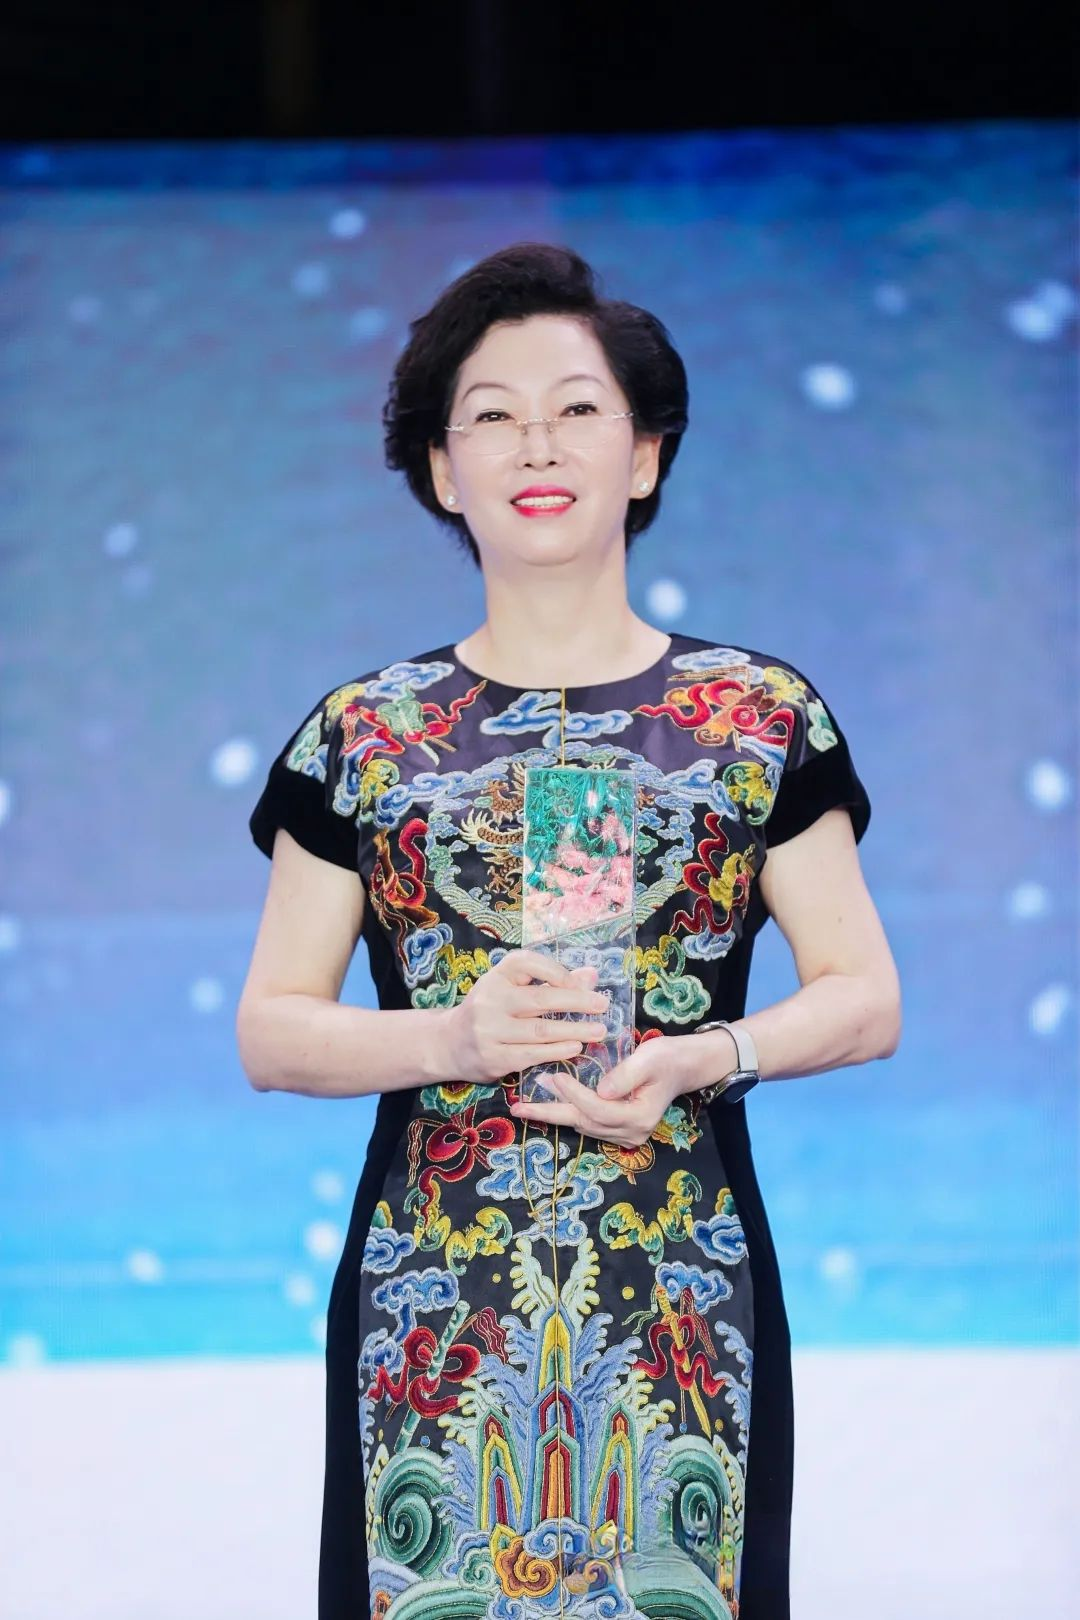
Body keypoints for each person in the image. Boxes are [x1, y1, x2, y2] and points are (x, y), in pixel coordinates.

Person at [239, 241, 902, 1620]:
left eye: (578, 409)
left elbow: (864, 995)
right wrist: (455, 1038)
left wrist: (705, 1056)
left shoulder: (756, 716)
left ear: (646, 456)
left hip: (683, 1292)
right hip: (434, 1306)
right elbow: (272, 1032)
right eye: (491, 415)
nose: (536, 444)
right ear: (442, 472)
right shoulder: (366, 733)